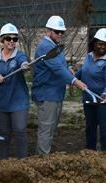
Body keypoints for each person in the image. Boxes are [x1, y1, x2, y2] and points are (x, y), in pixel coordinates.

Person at [31, 16, 85, 156]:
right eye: (57, 31)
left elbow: (61, 65)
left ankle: (44, 156)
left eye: (62, 32)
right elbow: (57, 69)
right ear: (48, 31)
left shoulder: (54, 46)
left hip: (55, 94)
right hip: (47, 94)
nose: (60, 34)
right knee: (46, 129)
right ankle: (42, 160)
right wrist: (75, 81)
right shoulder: (45, 47)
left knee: (51, 128)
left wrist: (69, 69)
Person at [0, 23, 30, 159]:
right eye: (8, 38)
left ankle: (22, 161)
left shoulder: (19, 56)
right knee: (4, 133)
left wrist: (24, 65)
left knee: (20, 130)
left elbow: (23, 61)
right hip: (1, 102)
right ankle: (3, 161)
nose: (11, 41)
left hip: (18, 101)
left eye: (14, 39)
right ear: (2, 40)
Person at [74, 28, 106, 152]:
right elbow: (84, 71)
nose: (102, 47)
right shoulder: (88, 57)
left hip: (104, 101)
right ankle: (90, 153)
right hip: (88, 98)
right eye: (100, 44)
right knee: (90, 128)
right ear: (94, 43)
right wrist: (74, 78)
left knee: (104, 129)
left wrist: (105, 93)